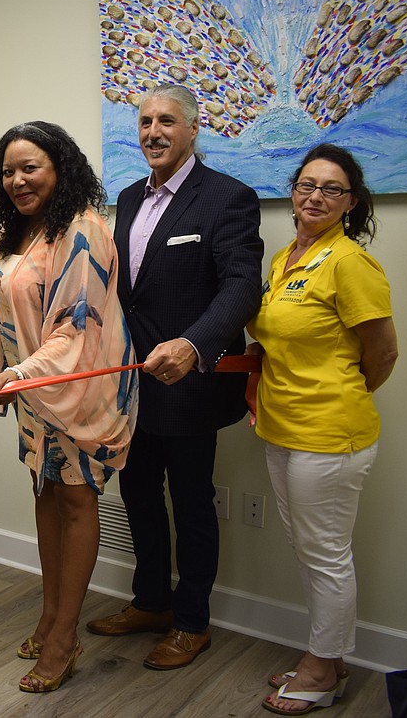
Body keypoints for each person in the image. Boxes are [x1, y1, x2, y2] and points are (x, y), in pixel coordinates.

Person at [0, 122, 138, 693]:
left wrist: (18, 373)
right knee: (45, 495)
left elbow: (76, 326)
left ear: (60, 168)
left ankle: (65, 637)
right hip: (32, 392)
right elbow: (2, 307)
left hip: (78, 391)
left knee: (74, 499)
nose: (17, 180)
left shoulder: (84, 228)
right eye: (8, 171)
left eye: (30, 168)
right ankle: (49, 617)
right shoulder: (23, 229)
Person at [85, 83, 263, 670]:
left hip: (191, 383)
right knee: (138, 496)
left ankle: (191, 622)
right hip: (134, 382)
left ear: (192, 128)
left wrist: (193, 343)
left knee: (190, 504)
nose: (153, 132)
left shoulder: (229, 198)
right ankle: (151, 602)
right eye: (143, 123)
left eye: (166, 121)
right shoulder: (130, 198)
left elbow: (240, 288)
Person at [248, 144, 396, 716]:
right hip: (281, 428)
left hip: (331, 434)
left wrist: (336, 398)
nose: (315, 196)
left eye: (331, 189)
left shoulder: (349, 262)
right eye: (307, 184)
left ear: (350, 202)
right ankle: (329, 658)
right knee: (308, 549)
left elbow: (382, 354)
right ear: (293, 190)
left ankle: (320, 669)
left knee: (326, 553)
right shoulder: (288, 256)